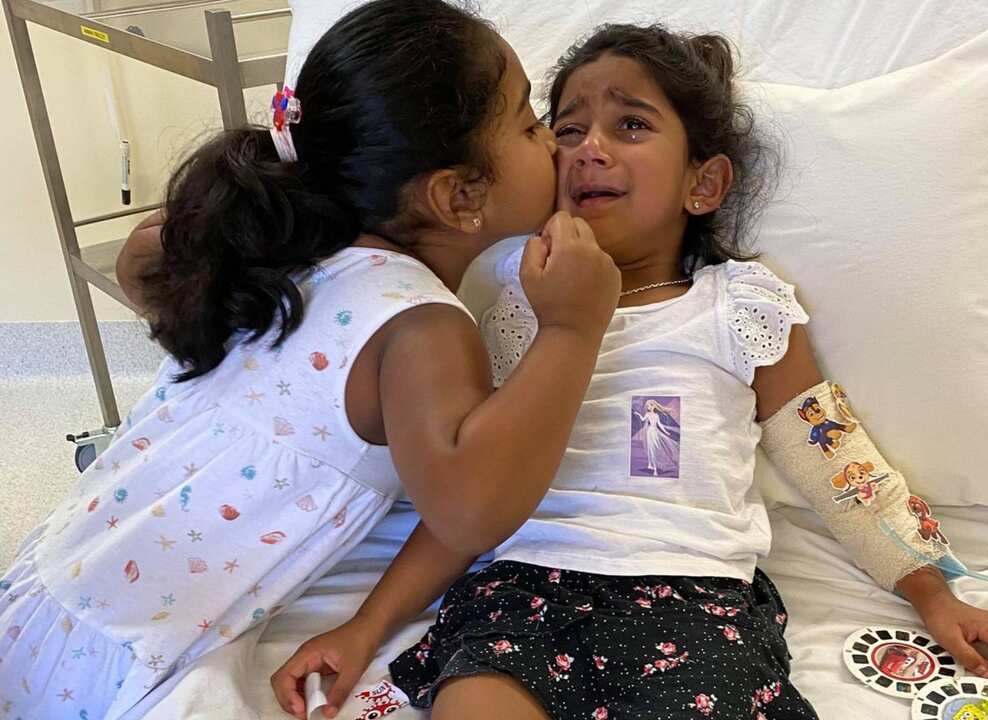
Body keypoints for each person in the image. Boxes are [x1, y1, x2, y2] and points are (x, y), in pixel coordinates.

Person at [276, 23, 988, 720]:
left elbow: (833, 461)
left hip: (692, 599)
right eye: (564, 129)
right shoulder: (509, 302)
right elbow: (468, 498)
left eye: (631, 125)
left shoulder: (739, 306)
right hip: (519, 593)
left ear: (702, 185)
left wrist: (933, 595)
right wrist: (365, 625)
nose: (588, 147)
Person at [0, 2, 619, 717]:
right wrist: (572, 328)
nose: (557, 147)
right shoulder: (421, 328)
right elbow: (471, 511)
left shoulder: (291, 248)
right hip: (126, 657)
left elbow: (144, 256)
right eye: (531, 124)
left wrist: (368, 623)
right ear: (458, 196)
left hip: (56, 590)